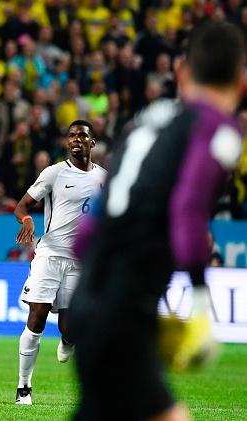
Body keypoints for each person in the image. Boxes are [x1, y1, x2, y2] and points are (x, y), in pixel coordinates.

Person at [69, 21, 246, 420]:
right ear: (241, 82)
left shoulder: (149, 120)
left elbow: (87, 233)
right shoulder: (219, 129)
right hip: (122, 311)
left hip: (90, 301)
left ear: (181, 73)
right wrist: (200, 304)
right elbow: (187, 211)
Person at [13, 120, 107, 405]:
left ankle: (68, 339)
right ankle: (23, 389)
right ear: (67, 143)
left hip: (80, 261)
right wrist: (27, 220)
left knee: (70, 328)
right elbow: (21, 205)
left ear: (93, 143)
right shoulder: (54, 173)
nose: (77, 139)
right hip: (50, 255)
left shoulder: (104, 179)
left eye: (83, 136)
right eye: (72, 136)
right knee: (37, 317)